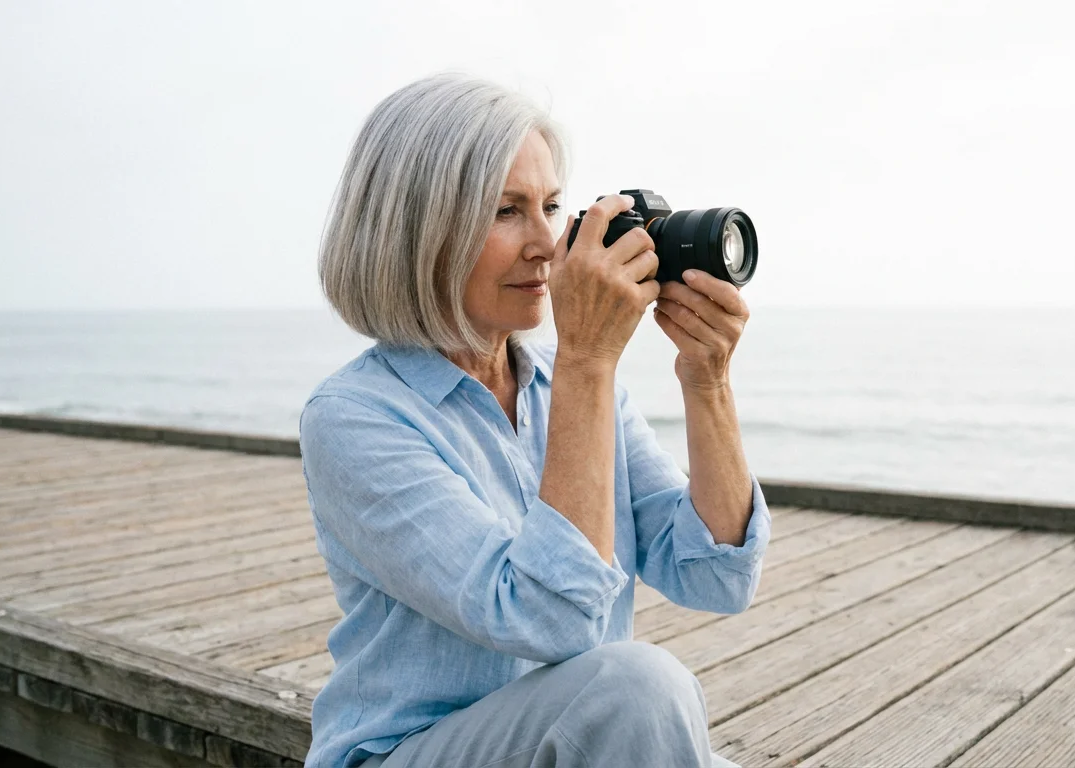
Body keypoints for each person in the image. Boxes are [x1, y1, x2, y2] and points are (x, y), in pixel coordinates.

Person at [298, 72, 771, 768]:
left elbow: (716, 575)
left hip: (570, 746)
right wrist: (587, 359)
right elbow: (546, 617)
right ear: (416, 229)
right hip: (407, 753)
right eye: (505, 210)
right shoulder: (355, 419)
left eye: (551, 205)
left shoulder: (571, 383)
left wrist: (709, 381)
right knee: (640, 687)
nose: (548, 244)